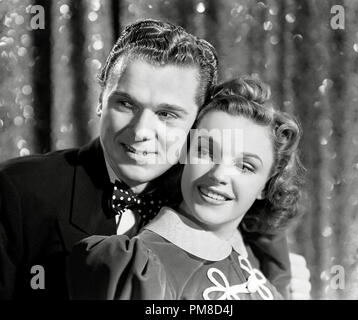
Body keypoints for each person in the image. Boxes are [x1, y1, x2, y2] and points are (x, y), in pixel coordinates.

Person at [0, 19, 297, 300]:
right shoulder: (19, 190)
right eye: (126, 104)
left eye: (167, 114)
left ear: (197, 122)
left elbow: (268, 245)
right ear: (101, 101)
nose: (141, 131)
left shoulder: (208, 189)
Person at [67, 76, 302, 300]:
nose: (219, 174)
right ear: (185, 153)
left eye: (245, 166)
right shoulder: (138, 264)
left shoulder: (262, 272)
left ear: (266, 185)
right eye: (206, 152)